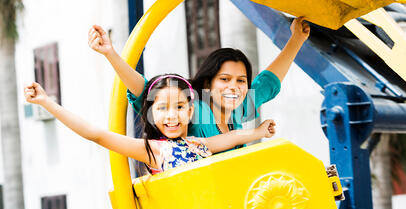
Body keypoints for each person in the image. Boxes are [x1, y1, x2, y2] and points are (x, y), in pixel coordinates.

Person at [88, 16, 309, 152]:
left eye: (241, 81)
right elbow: (146, 91)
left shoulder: (238, 110)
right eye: (224, 79)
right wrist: (111, 55)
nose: (234, 87)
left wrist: (296, 40)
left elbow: (267, 83)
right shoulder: (193, 108)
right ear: (207, 83)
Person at [23, 75, 275, 175]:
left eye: (178, 107)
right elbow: (97, 135)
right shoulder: (154, 150)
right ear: (152, 115)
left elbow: (229, 139)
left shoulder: (199, 144)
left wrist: (258, 131)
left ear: (190, 111)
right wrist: (47, 102)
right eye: (162, 108)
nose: (171, 115)